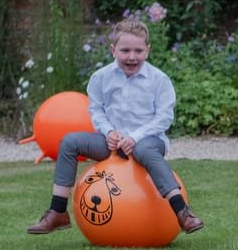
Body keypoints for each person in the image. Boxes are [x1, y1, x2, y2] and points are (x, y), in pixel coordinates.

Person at [26, 18, 203, 236]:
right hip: (110, 142)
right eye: (125, 50)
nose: (132, 56)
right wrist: (109, 132)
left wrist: (135, 137)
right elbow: (96, 111)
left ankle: (183, 212)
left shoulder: (159, 80)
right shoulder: (100, 78)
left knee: (144, 150)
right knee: (70, 142)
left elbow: (164, 118)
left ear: (147, 50)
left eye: (138, 51)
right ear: (113, 50)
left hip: (148, 141)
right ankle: (57, 212)